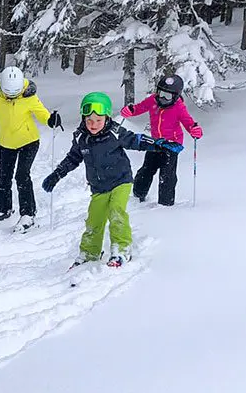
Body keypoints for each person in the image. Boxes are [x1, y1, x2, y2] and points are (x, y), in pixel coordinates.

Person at [41, 92, 182, 268]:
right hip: (98, 187)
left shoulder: (115, 132)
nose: (93, 124)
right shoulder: (80, 138)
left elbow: (137, 140)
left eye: (98, 120)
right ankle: (89, 253)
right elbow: (72, 159)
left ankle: (121, 249)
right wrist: (56, 175)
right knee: (94, 221)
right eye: (89, 120)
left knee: (116, 211)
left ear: (107, 118)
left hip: (121, 181)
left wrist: (159, 144)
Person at [0, 66, 62, 231]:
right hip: (7, 143)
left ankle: (28, 214)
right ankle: (3, 209)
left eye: (14, 94)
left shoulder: (29, 96)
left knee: (22, 176)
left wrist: (51, 120)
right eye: (8, 94)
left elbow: (42, 114)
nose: (11, 97)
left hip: (29, 141)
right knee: (4, 177)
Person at [120, 74, 203, 206]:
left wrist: (194, 129)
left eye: (168, 96)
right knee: (146, 169)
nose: (163, 98)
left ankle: (165, 203)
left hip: (172, 144)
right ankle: (138, 195)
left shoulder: (179, 107)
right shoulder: (153, 100)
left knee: (167, 175)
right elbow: (140, 107)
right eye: (161, 93)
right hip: (155, 143)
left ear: (175, 96)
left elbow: (188, 122)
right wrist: (131, 110)